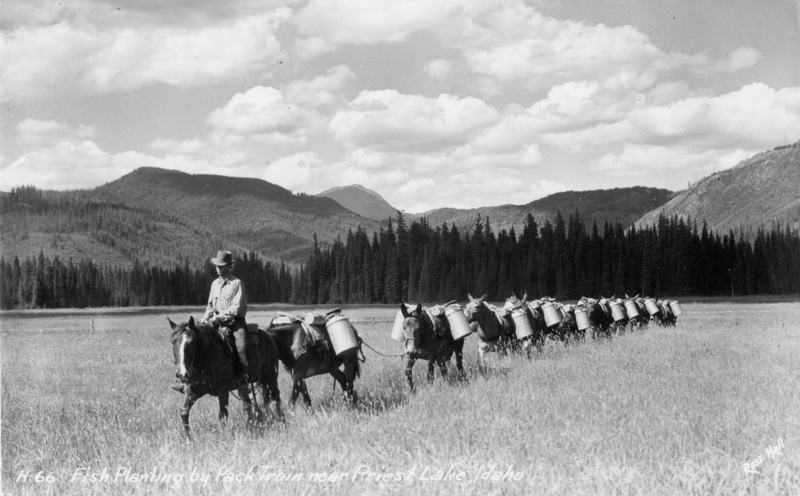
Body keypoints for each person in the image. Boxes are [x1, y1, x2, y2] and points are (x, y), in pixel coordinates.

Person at [203, 250, 250, 384]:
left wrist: (219, 317)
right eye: (217, 265)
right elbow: (210, 306)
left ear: (229, 267)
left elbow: (236, 308)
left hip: (235, 323)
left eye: (222, 265)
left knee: (240, 346)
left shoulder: (237, 283)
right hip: (216, 323)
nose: (218, 268)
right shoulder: (214, 284)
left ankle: (244, 378)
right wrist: (205, 317)